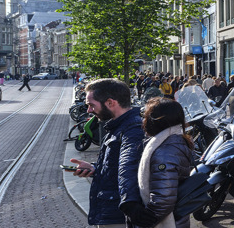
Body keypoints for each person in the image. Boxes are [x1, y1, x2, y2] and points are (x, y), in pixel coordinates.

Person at [69, 78, 145, 228]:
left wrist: (130, 206)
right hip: (111, 212)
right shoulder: (118, 126)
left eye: (91, 105)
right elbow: (117, 166)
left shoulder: (132, 130)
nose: (89, 110)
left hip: (119, 215)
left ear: (110, 103)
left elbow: (129, 170)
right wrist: (95, 168)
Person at [130, 98, 194, 228]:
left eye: (146, 117)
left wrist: (144, 221)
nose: (143, 121)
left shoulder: (165, 152)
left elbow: (163, 199)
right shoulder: (173, 141)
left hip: (167, 223)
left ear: (156, 121)